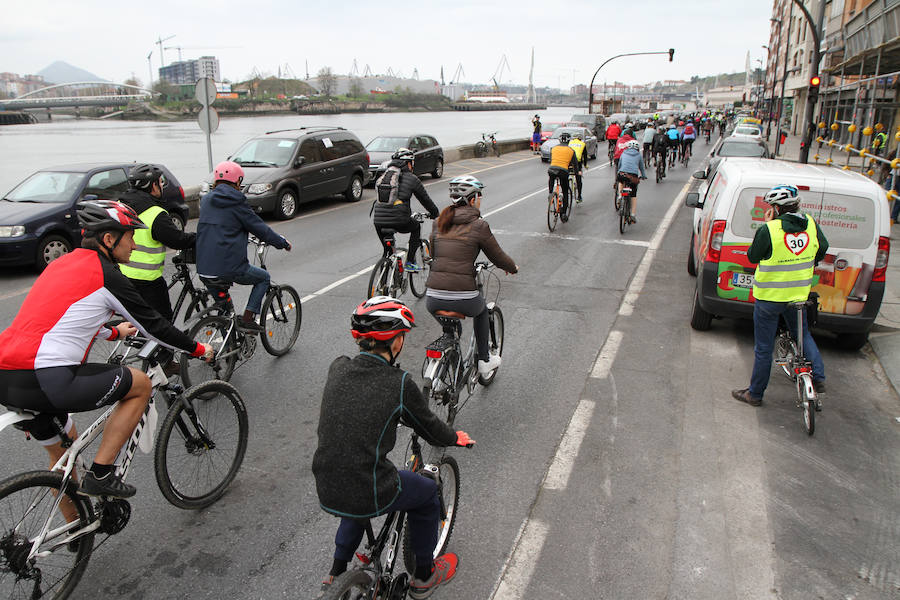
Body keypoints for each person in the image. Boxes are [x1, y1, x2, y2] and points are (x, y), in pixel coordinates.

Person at [0, 200, 213, 499]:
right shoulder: (106, 275)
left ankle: (74, 537)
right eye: (131, 238)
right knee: (140, 385)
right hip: (46, 376)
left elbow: (58, 317)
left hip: (7, 375)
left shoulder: (62, 262)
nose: (135, 247)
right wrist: (199, 348)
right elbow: (154, 326)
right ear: (109, 239)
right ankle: (102, 473)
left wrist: (113, 332)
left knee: (64, 458)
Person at [313, 296, 475, 599]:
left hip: (326, 482)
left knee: (356, 484)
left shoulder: (338, 367)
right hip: (370, 487)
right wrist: (454, 437)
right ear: (396, 342)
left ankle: (335, 573)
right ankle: (425, 577)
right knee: (426, 492)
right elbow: (430, 428)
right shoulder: (398, 383)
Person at [732, 185, 828, 406]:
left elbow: (753, 256)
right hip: (798, 296)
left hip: (770, 297)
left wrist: (767, 226)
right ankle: (819, 378)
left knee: (764, 348)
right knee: (803, 335)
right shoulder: (810, 224)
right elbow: (823, 247)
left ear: (775, 208)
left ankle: (755, 394)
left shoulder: (770, 230)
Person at [426, 176, 518, 376]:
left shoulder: (438, 223)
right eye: (480, 195)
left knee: (450, 328)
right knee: (482, 311)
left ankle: (449, 367)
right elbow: (498, 256)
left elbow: (434, 255)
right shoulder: (479, 225)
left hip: (432, 297)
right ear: (473, 198)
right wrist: (512, 267)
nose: (481, 199)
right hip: (463, 297)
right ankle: (484, 361)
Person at [196, 161, 292, 333]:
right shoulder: (237, 201)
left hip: (204, 268)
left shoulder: (206, 200)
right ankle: (248, 319)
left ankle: (228, 345)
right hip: (229, 267)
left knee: (225, 312)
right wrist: (282, 243)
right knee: (263, 278)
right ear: (237, 182)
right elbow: (260, 228)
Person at [118, 164, 196, 323]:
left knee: (138, 320)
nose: (161, 186)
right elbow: (177, 240)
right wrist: (198, 237)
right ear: (152, 185)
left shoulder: (121, 205)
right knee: (163, 325)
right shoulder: (155, 213)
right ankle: (163, 348)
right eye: (160, 182)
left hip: (122, 275)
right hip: (147, 281)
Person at [373, 148, 440, 271]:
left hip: (378, 220)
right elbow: (425, 200)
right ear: (408, 163)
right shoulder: (411, 178)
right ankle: (409, 262)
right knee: (416, 227)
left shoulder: (385, 175)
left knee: (387, 251)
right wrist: (435, 214)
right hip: (399, 220)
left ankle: (383, 284)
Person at [548, 132, 579, 220]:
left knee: (551, 177)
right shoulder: (571, 150)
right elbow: (575, 165)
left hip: (552, 169)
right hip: (563, 171)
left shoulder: (553, 148)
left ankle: (550, 193)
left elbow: (551, 159)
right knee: (565, 191)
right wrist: (576, 174)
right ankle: (564, 213)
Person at [616, 139, 647, 223]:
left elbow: (620, 165)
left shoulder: (624, 153)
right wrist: (644, 176)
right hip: (633, 176)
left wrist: (619, 172)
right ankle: (632, 214)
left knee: (621, 182)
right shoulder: (638, 155)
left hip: (622, 174)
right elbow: (641, 167)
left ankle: (619, 196)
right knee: (633, 195)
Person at [568, 131, 588, 203]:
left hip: (569, 162)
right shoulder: (582, 144)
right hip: (577, 163)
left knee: (567, 174)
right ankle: (579, 196)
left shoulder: (570, 143)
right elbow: (585, 156)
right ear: (580, 138)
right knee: (578, 178)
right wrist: (585, 165)